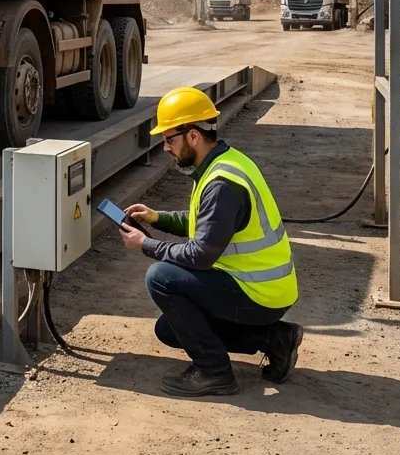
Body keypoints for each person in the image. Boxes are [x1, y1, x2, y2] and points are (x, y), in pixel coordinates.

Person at [118, 86, 302, 397]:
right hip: (263, 288)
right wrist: (156, 218)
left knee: (161, 278)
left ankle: (214, 372)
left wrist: (145, 245)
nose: (165, 148)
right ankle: (274, 339)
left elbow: (201, 254)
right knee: (168, 329)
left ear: (193, 136)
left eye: (169, 139)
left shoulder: (221, 183)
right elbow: (207, 225)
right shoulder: (224, 162)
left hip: (258, 293)